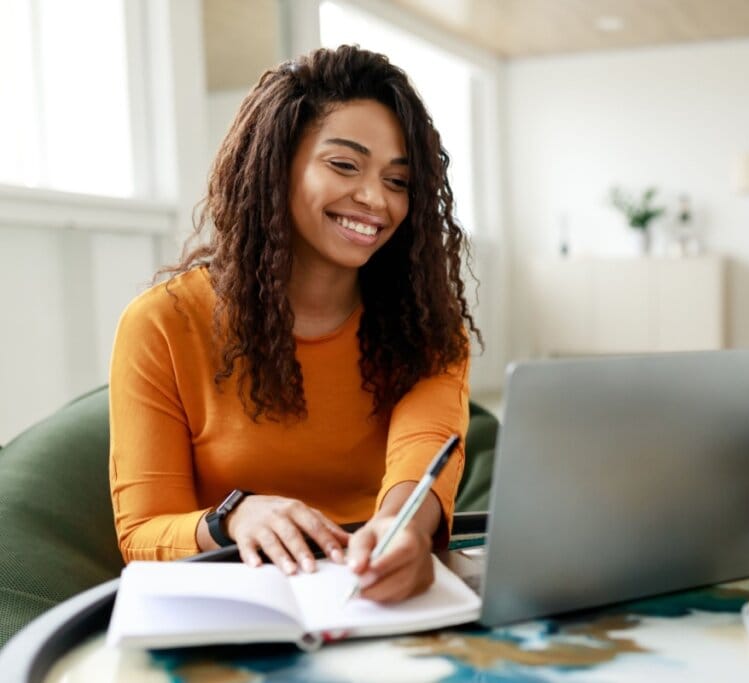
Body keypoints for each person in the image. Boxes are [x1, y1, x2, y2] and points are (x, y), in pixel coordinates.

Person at [109, 45, 480, 604]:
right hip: (233, 601)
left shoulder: (426, 323)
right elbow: (142, 533)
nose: (375, 199)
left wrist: (403, 528)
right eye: (344, 165)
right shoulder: (162, 323)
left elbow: (423, 447)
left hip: (375, 594)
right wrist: (233, 518)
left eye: (398, 181)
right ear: (275, 164)